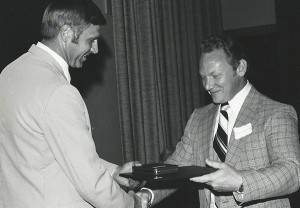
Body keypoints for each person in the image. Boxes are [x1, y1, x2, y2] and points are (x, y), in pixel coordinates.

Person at [0, 0, 145, 207]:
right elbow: (91, 184)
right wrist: (133, 205)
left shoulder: (8, 74)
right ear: (66, 32)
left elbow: (50, 154)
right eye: (91, 40)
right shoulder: (59, 91)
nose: (95, 50)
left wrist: (113, 172)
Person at [138, 35, 300, 208]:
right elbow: (176, 168)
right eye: (203, 77)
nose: (207, 86)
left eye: (215, 76)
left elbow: (292, 172)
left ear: (240, 68)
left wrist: (240, 181)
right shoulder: (198, 118)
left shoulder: (275, 113)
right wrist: (148, 194)